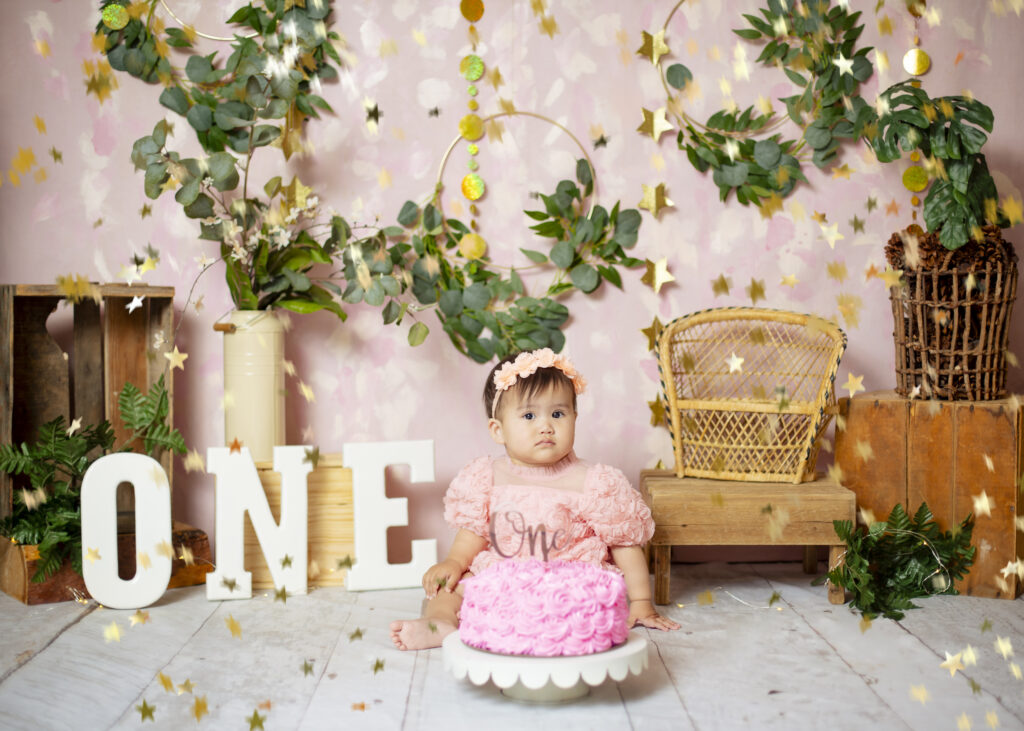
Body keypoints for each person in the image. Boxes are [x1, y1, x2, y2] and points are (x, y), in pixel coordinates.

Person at [390, 348, 680, 651]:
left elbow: (624, 544)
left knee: (587, 604)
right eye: (529, 415)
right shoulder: (486, 476)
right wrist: (454, 561)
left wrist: (642, 602)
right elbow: (474, 532)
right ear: (497, 430)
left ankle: (551, 629)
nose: (546, 426)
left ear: (575, 418)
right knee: (447, 590)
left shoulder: (593, 481)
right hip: (502, 575)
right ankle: (441, 624)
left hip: (567, 582)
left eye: (558, 413)